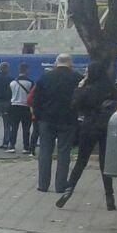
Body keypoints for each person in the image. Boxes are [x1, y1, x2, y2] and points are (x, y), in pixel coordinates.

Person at [57, 61, 117, 210]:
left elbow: (75, 105)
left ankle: (68, 190)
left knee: (81, 161)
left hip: (89, 127)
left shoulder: (87, 89)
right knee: (105, 163)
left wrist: (79, 88)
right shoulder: (110, 88)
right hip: (107, 127)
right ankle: (109, 197)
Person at [31, 53, 82, 193]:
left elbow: (36, 101)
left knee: (45, 151)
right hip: (68, 120)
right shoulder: (77, 78)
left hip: (47, 120)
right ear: (70, 64)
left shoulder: (45, 77)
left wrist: (40, 117)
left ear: (56, 63)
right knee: (64, 152)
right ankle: (60, 186)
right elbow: (81, 99)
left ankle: (43, 184)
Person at [7, 63, 35, 154]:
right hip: (26, 107)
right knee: (26, 128)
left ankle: (12, 146)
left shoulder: (12, 83)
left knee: (14, 127)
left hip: (14, 106)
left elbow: (9, 96)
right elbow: (32, 96)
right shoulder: (30, 83)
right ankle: (26, 147)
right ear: (26, 70)